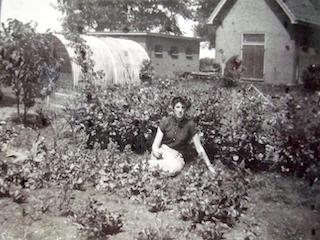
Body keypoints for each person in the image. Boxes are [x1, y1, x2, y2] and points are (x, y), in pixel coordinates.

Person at [149, 96, 216, 176]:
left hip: (177, 155)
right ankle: (159, 167)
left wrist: (209, 166)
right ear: (173, 109)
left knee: (175, 168)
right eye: (177, 107)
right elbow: (155, 144)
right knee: (155, 155)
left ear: (185, 109)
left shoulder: (190, 125)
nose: (180, 110)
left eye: (182, 107)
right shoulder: (166, 121)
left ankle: (156, 167)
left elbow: (199, 148)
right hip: (164, 151)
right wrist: (156, 150)